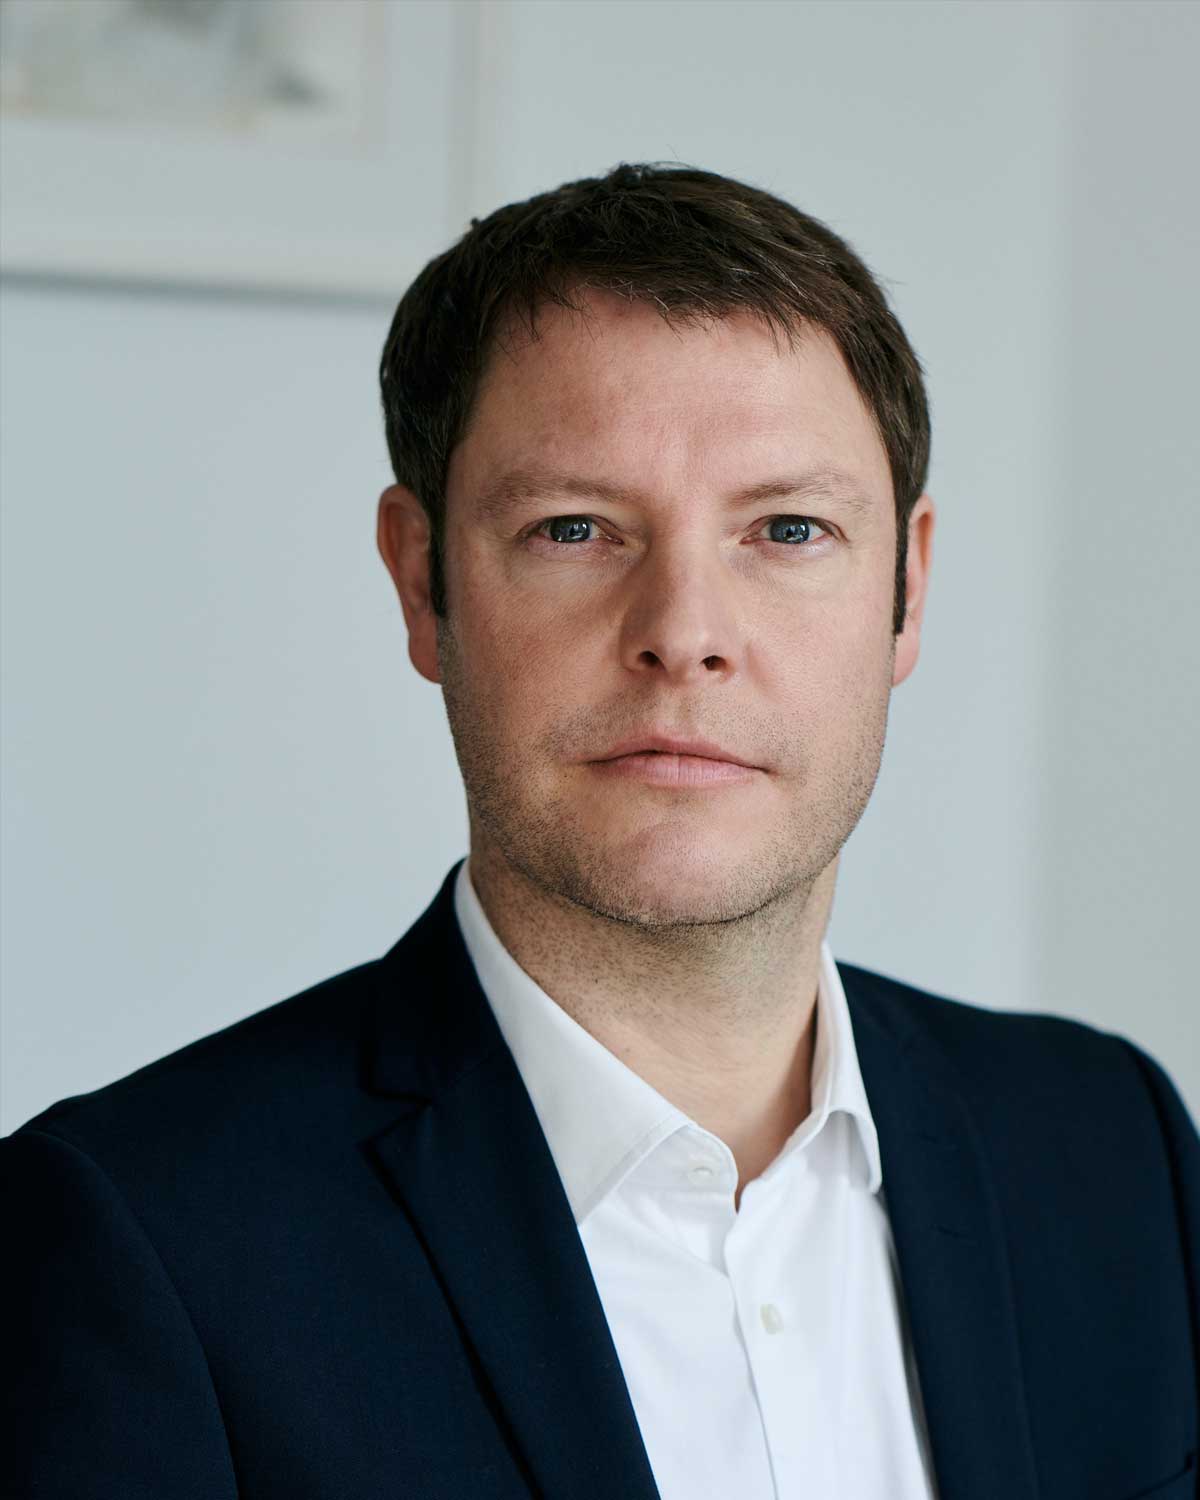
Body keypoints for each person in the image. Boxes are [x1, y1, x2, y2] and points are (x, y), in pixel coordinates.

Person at [4, 163, 1196, 1500]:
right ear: (423, 584)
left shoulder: (1116, 1149)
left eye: (788, 528)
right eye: (574, 529)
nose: (683, 632)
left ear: (907, 588)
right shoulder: (137, 1238)